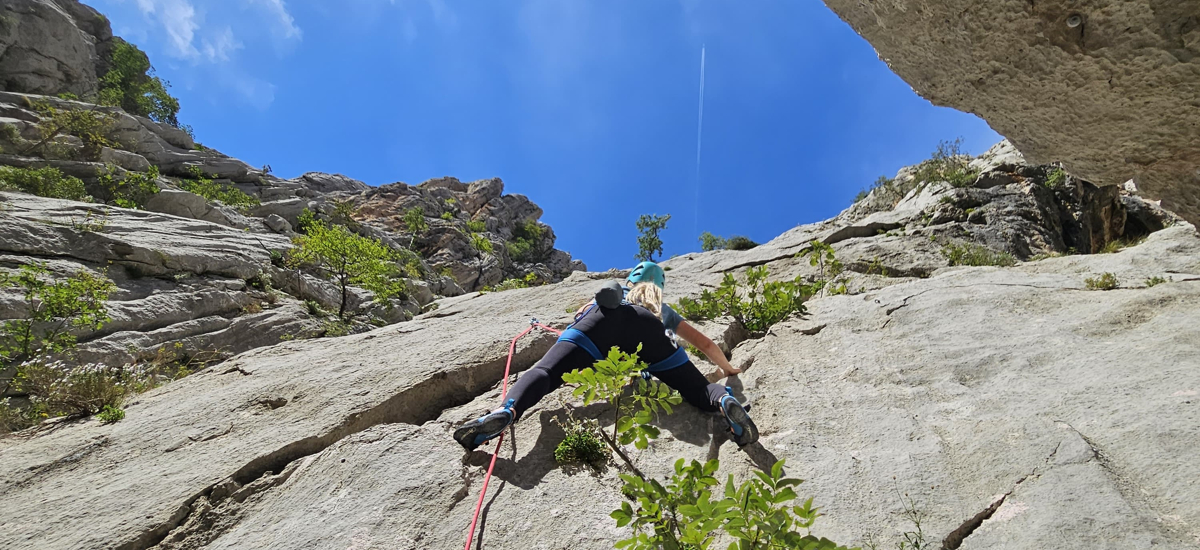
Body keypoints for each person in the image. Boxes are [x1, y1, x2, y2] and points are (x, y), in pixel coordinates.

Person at [453, 261, 757, 451]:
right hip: (652, 333)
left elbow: (579, 315)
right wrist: (729, 368)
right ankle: (724, 401)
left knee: (546, 371)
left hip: (603, 317)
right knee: (698, 390)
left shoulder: (626, 294)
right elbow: (704, 343)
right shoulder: (662, 310)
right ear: (659, 287)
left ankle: (508, 410)